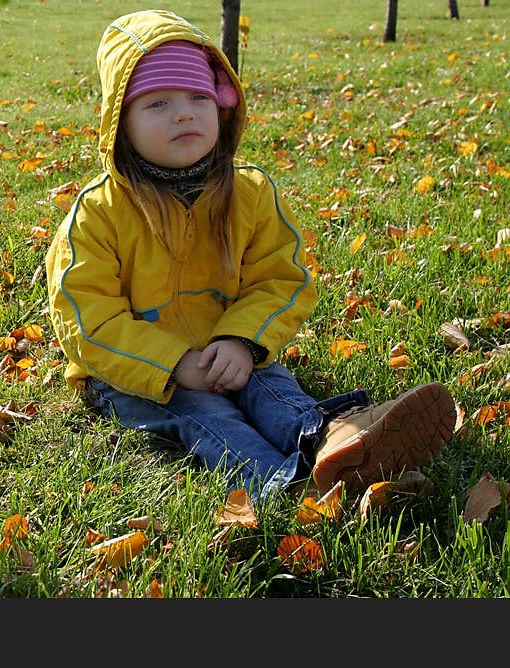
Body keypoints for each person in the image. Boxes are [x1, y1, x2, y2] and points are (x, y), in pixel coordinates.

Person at [44, 9, 457, 499]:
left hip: (233, 351)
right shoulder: (99, 213)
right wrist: (174, 364)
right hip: (137, 374)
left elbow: (281, 279)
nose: (183, 113)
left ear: (221, 106)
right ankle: (289, 488)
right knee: (209, 416)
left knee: (272, 391)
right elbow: (88, 319)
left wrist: (243, 341)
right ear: (120, 124)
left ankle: (338, 443)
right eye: (156, 103)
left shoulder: (250, 194)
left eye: (199, 96)